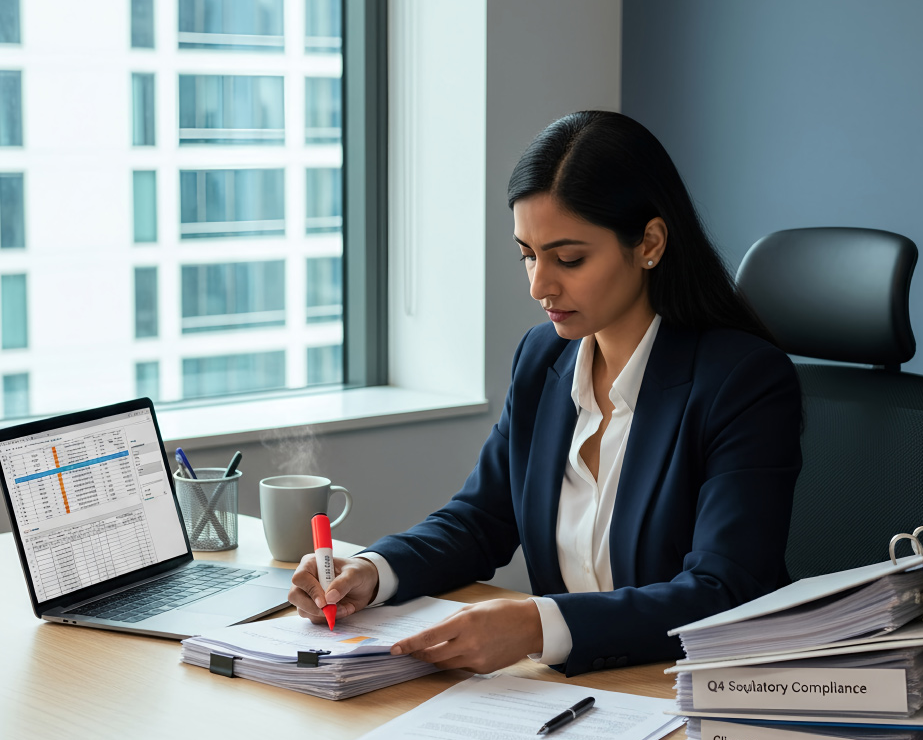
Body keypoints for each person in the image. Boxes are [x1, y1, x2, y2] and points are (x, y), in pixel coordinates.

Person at [289, 110, 803, 677]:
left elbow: (722, 592)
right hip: (579, 694)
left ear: (650, 243)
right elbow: (480, 520)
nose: (539, 285)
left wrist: (538, 624)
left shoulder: (742, 380)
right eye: (528, 255)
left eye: (569, 258)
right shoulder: (544, 358)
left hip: (695, 694)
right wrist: (372, 570)